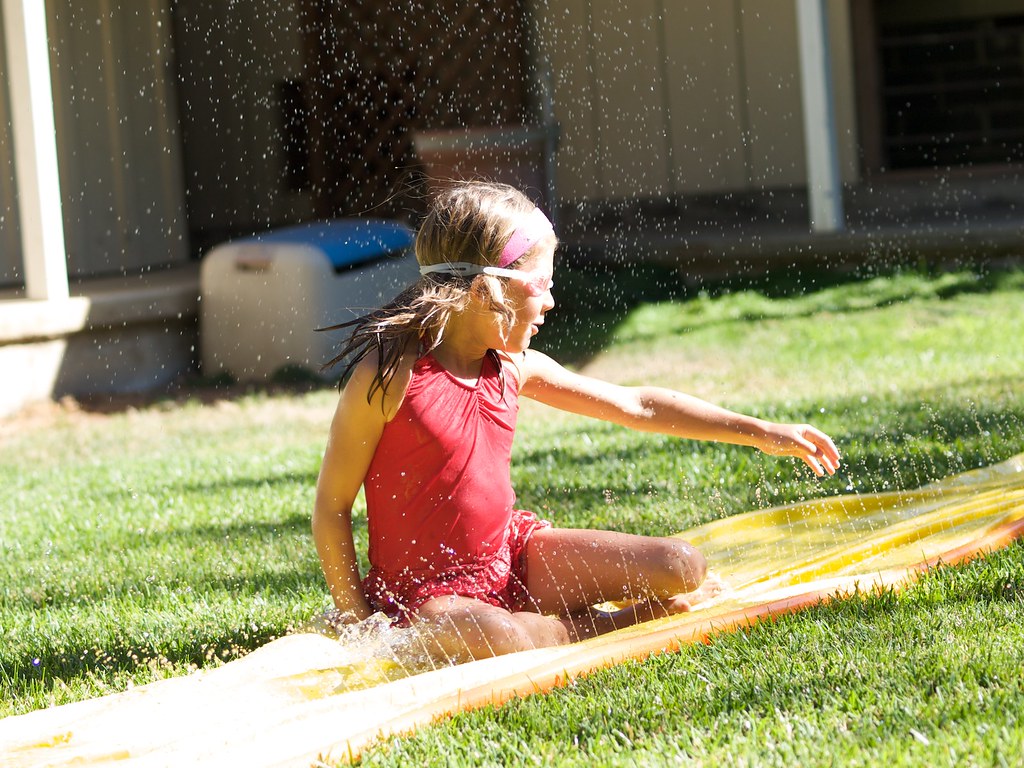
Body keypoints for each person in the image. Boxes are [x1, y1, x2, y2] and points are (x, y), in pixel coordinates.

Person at [312, 181, 840, 661]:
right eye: (538, 284)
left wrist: (760, 431)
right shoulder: (391, 377)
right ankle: (622, 622)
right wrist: (360, 624)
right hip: (427, 599)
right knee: (501, 639)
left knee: (681, 566)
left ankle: (559, 622)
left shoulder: (514, 367)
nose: (550, 300)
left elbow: (637, 405)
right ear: (484, 292)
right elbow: (332, 507)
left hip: (512, 560)